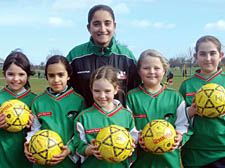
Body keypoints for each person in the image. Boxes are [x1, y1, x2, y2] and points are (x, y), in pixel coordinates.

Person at [67, 4, 140, 107]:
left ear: (114, 26)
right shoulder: (75, 56)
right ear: (89, 27)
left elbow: (137, 93)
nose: (102, 29)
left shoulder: (127, 57)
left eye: (107, 23)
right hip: (85, 121)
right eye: (96, 24)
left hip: (119, 121)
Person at [126, 49, 190, 168]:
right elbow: (128, 127)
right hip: (141, 161)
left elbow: (183, 125)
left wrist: (179, 137)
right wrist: (137, 138)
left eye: (157, 68)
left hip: (169, 161)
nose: (151, 72)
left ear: (164, 70)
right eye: (146, 68)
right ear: (139, 71)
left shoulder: (175, 97)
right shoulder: (131, 97)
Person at [24, 55, 85, 168]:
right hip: (41, 162)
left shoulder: (79, 101)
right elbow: (35, 129)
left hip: (68, 161)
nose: (56, 80)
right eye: (51, 75)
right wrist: (28, 143)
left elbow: (81, 133)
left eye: (61, 75)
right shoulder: (38, 102)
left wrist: (70, 149)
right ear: (46, 76)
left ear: (68, 76)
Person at [74, 66, 138, 168]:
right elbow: (78, 146)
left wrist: (130, 148)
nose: (102, 96)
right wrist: (90, 150)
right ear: (91, 89)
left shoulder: (126, 115)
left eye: (107, 91)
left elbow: (134, 139)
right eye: (97, 91)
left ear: (116, 89)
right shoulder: (83, 117)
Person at [179, 35, 225, 167]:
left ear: (220, 55)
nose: (208, 58)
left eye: (212, 53)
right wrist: (190, 111)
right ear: (195, 57)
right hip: (195, 153)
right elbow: (179, 118)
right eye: (203, 54)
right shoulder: (187, 85)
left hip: (222, 150)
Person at [0, 51, 36, 168]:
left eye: (21, 74)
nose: (16, 79)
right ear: (4, 73)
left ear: (28, 75)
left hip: (27, 159)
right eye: (11, 74)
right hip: (3, 157)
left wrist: (34, 124)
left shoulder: (35, 100)